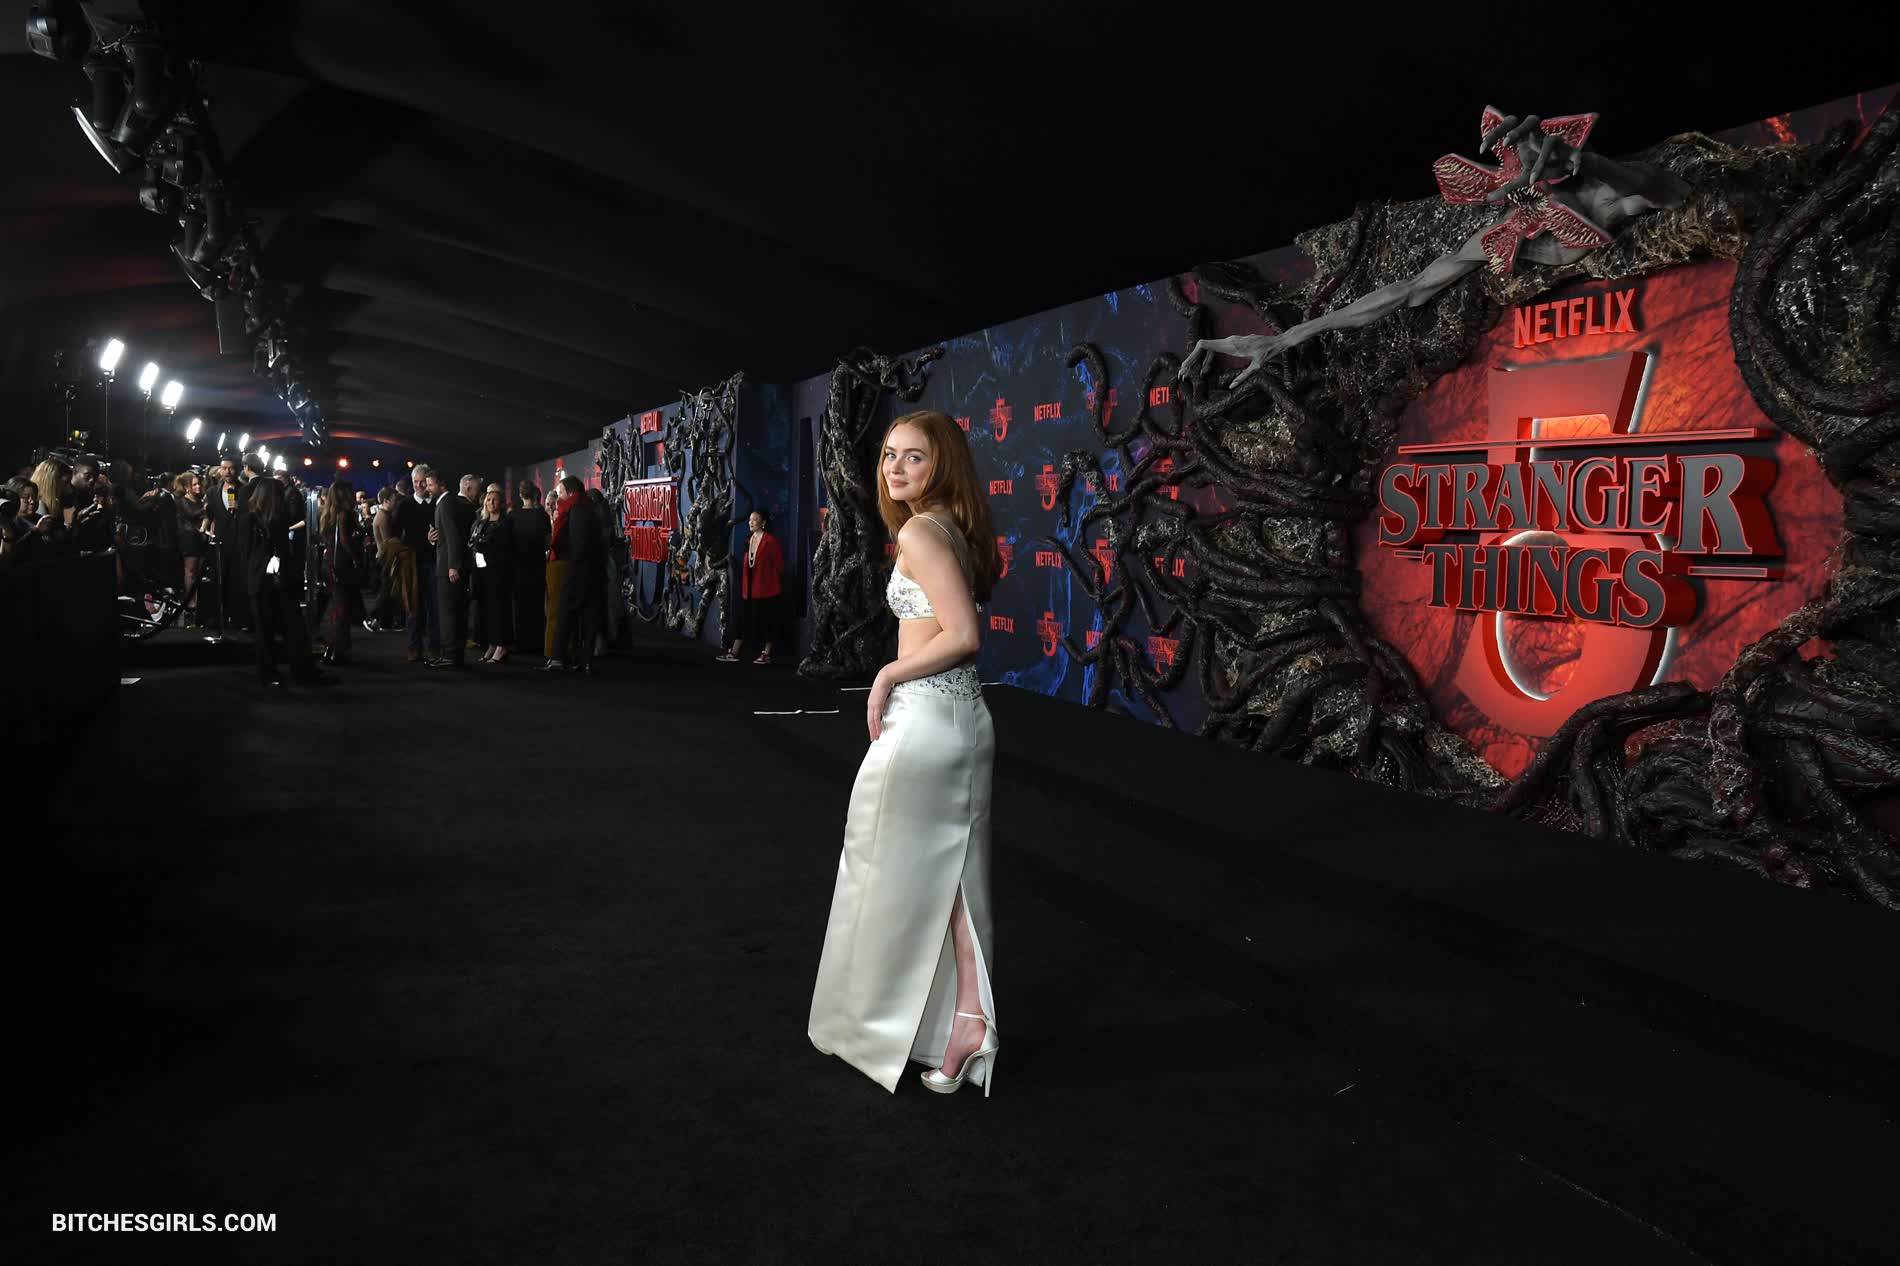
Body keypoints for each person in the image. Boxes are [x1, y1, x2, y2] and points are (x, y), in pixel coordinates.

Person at [808, 409, 1005, 1097]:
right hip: (955, 720)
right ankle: (969, 1021)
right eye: (889, 454)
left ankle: (920, 1021)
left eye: (913, 456)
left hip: (927, 723)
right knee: (950, 881)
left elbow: (964, 633)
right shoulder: (949, 524)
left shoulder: (923, 531)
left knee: (888, 870)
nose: (894, 468)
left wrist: (887, 675)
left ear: (941, 463)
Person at [241, 475, 328, 688]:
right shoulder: (253, 520)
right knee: (274, 629)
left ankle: (290, 671)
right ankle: (280, 671)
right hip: (266, 581)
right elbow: (247, 553)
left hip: (275, 580)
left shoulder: (275, 519)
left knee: (286, 627)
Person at [542, 475, 603, 674]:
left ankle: (558, 659)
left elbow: (580, 543)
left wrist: (574, 566)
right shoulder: (588, 508)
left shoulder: (576, 510)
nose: (558, 497)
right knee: (588, 617)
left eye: (560, 492)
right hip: (592, 571)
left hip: (579, 571)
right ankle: (585, 661)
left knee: (566, 614)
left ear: (570, 492)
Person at [717, 509, 785, 665]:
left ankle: (766, 654)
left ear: (763, 523)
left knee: (767, 622)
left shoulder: (770, 541)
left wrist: (768, 578)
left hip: (766, 590)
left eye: (754, 520)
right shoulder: (749, 540)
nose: (751, 522)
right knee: (742, 621)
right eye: (749, 520)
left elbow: (780, 566)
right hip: (749, 590)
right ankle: (734, 652)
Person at [431, 473, 480, 669]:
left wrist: (453, 565)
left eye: (430, 484)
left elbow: (452, 536)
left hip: (449, 567)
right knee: (456, 611)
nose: (428, 488)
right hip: (454, 565)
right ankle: (454, 654)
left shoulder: (447, 503)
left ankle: (450, 655)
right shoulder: (454, 504)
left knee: (449, 612)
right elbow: (448, 536)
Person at [318, 480, 365, 665]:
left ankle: (335, 648)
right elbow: (345, 541)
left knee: (338, 608)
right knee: (341, 609)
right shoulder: (345, 514)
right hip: (341, 564)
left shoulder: (328, 514)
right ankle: (334, 649)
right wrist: (356, 558)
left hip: (329, 562)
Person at [471, 483, 515, 663]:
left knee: (499, 610)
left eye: (495, 500)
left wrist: (488, 547)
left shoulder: (506, 523)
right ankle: (491, 643)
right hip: (481, 572)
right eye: (488, 499)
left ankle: (501, 645)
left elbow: (507, 549)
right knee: (486, 610)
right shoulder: (481, 522)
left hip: (498, 574)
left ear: (501, 503)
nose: (491, 502)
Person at [401, 465, 439, 663]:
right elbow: (396, 534)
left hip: (434, 562)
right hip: (413, 564)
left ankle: (434, 648)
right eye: (415, 482)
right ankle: (414, 647)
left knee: (434, 607)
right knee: (413, 607)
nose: (419, 485)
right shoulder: (405, 505)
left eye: (422, 481)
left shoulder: (437, 504)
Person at [508, 482, 551, 656]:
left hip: (518, 565)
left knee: (520, 604)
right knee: (536, 603)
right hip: (537, 564)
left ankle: (521, 642)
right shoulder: (542, 515)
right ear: (535, 495)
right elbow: (547, 541)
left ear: (520, 495)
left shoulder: (513, 515)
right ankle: (536, 642)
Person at [173, 471, 207, 627]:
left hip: (200, 538)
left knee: (199, 572)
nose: (198, 486)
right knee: (190, 571)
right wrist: (206, 508)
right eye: (194, 484)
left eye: (199, 483)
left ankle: (199, 600)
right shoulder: (182, 501)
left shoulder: (200, 500)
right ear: (187, 487)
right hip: (189, 538)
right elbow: (192, 514)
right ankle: (190, 601)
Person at [542, 480, 571, 660]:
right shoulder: (545, 521)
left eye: (553, 503)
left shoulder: (562, 519)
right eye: (548, 504)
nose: (551, 507)